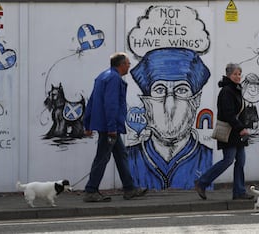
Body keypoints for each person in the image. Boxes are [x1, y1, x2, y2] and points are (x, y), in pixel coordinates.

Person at [127, 48, 213, 190]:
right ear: (146, 102)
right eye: (159, 90)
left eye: (181, 90)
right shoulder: (130, 158)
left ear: (196, 100)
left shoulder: (206, 159)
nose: (169, 105)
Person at [83, 52, 147, 202]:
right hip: (109, 127)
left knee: (121, 155)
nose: (129, 67)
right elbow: (111, 105)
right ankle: (91, 190)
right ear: (121, 64)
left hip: (105, 125)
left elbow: (91, 101)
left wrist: (88, 123)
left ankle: (129, 188)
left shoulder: (102, 76)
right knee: (102, 157)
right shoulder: (114, 79)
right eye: (128, 64)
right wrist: (112, 128)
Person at [194, 63, 254, 200]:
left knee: (240, 161)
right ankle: (202, 182)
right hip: (230, 133)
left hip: (237, 133)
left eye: (239, 74)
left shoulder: (235, 89)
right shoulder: (227, 91)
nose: (238, 77)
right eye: (235, 74)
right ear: (228, 75)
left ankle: (239, 191)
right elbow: (228, 114)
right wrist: (241, 128)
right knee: (228, 160)